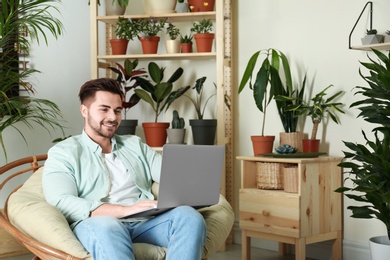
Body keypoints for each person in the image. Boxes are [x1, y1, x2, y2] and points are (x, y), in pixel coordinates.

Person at [42, 78, 206, 260]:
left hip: (144, 223)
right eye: (104, 109)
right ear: (84, 110)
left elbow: (169, 175)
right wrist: (122, 210)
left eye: (117, 110)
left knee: (189, 217)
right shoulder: (64, 152)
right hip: (97, 223)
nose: (112, 117)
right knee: (108, 226)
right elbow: (61, 200)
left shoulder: (134, 145)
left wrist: (194, 181)